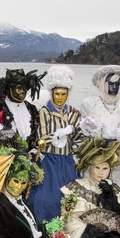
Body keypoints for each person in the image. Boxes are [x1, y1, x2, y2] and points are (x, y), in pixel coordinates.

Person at [28, 65, 82, 224]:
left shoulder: (74, 112)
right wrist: (58, 134)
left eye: (63, 94)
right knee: (46, 198)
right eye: (57, 94)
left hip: (67, 161)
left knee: (70, 196)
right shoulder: (44, 111)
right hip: (50, 161)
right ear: (51, 93)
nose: (59, 97)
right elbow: (41, 137)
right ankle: (46, 228)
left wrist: (85, 129)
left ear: (68, 94)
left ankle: (67, 227)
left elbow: (78, 138)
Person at [80, 65, 120, 186]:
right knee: (91, 189)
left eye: (117, 84)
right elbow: (81, 131)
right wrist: (90, 129)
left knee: (113, 189)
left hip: (116, 157)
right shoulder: (89, 104)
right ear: (102, 84)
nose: (114, 87)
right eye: (110, 84)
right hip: (94, 155)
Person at [0, 66, 46, 149]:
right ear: (9, 89)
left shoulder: (31, 108)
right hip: (2, 158)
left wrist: (33, 152)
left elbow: (36, 133)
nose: (22, 91)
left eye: (24, 88)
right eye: (18, 88)